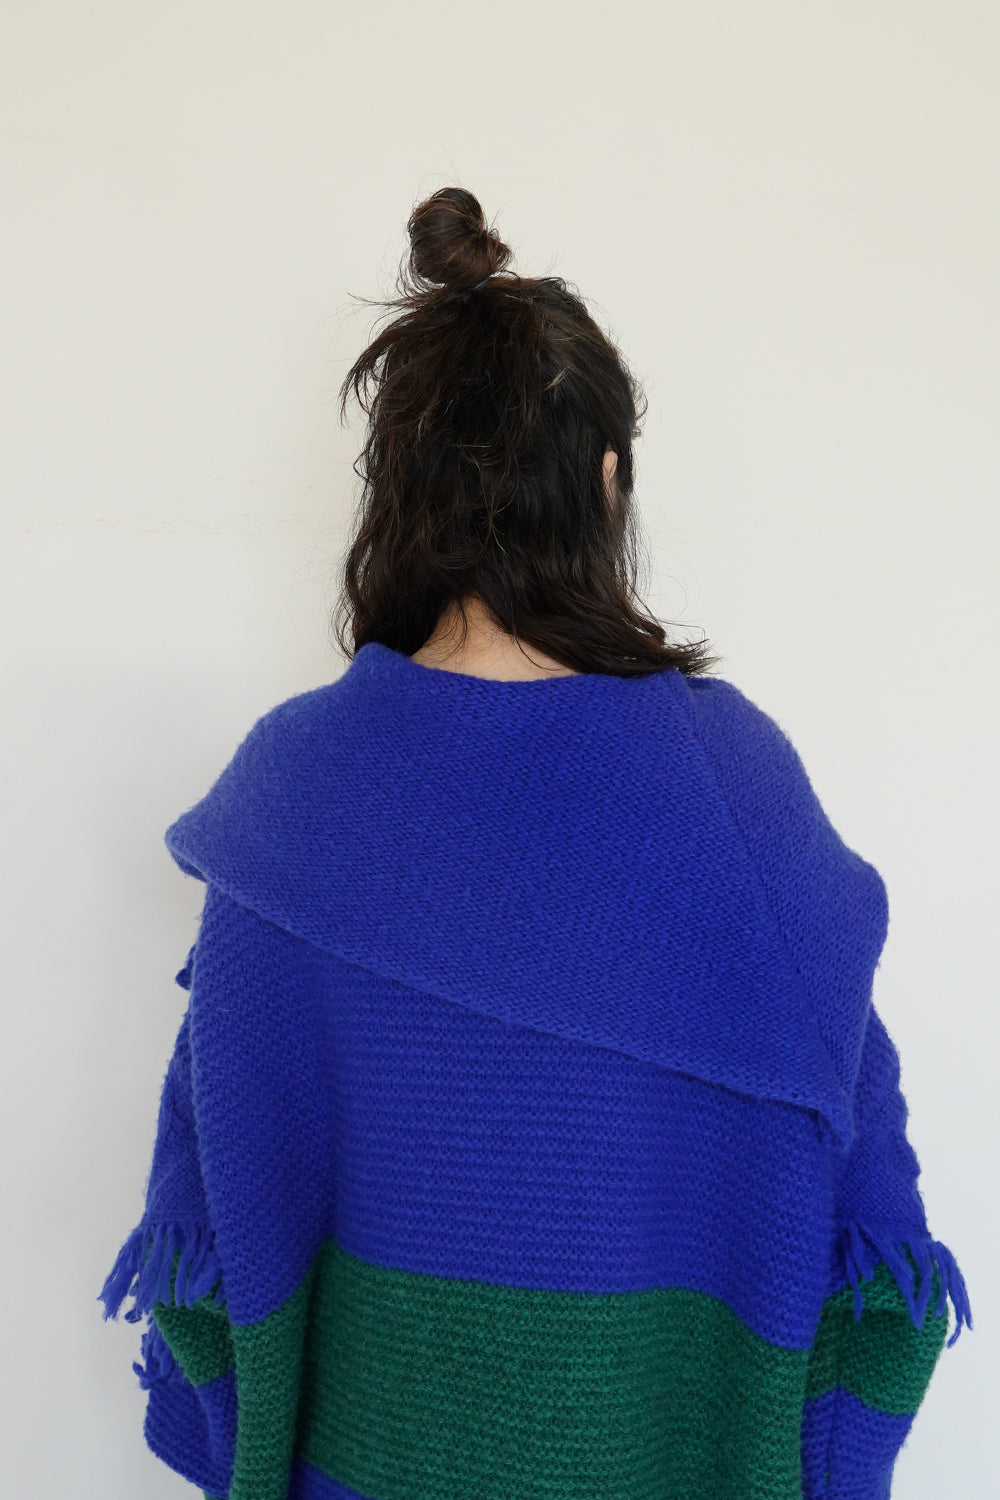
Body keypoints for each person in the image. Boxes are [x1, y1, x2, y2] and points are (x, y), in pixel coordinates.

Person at [98, 186, 971, 1500]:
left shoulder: (293, 797)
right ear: (606, 481)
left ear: (404, 494)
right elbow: (871, 1231)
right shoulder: (736, 796)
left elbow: (211, 1232)